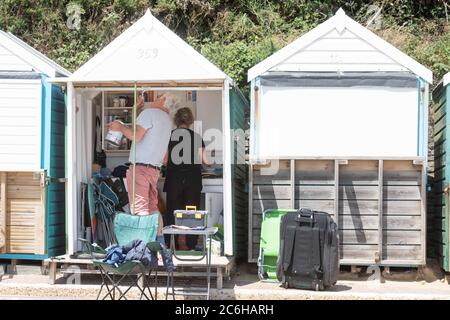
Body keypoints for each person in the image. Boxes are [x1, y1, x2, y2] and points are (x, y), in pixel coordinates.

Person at [108, 94, 172, 238]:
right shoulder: (167, 121)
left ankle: (144, 246)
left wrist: (120, 127)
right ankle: (160, 244)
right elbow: (165, 157)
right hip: (154, 169)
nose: (153, 97)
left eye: (158, 96)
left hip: (140, 168)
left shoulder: (149, 114)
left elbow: (135, 136)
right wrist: (135, 111)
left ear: (162, 100)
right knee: (153, 208)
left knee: (140, 208)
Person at [163, 107, 209, 250]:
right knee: (191, 212)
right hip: (192, 181)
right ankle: (190, 244)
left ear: (176, 120)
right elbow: (206, 161)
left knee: (173, 212)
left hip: (174, 180)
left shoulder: (169, 137)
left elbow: (164, 160)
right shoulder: (196, 137)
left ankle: (172, 245)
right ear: (190, 121)